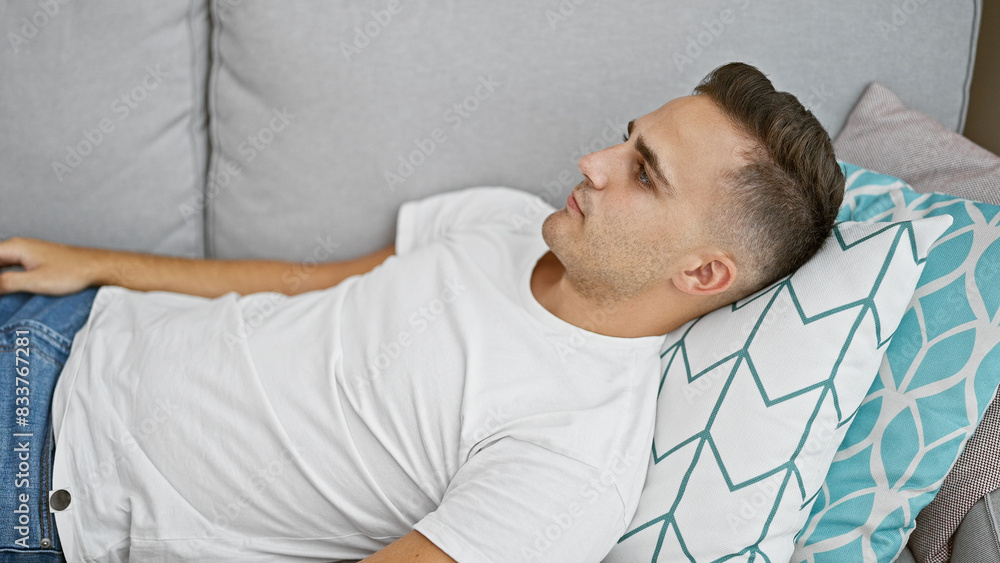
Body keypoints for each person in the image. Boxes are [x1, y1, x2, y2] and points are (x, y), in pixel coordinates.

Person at [0, 62, 844, 562]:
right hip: (76, 325)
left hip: (45, 484)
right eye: (626, 139)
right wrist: (95, 264)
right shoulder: (509, 221)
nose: (594, 162)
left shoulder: (571, 466)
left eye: (643, 172)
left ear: (703, 271)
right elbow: (305, 283)